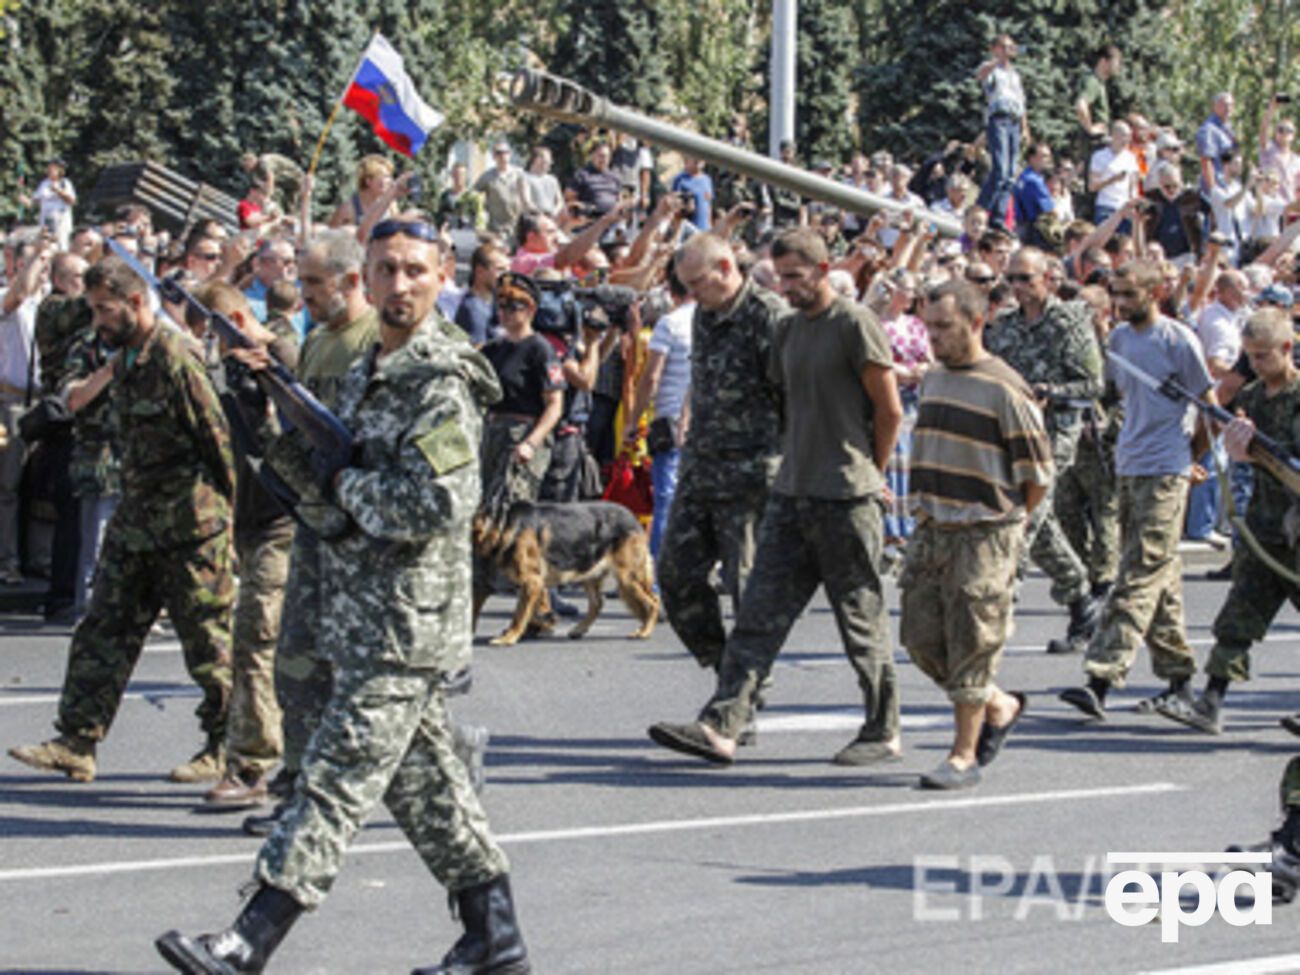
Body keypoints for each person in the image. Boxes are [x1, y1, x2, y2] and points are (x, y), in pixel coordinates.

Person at [155, 218, 529, 975]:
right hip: (360, 612)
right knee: (431, 793)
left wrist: (343, 481)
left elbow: (438, 501)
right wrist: (268, 402)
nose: (400, 285)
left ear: (442, 273)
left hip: (405, 625)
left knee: (330, 780)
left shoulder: (441, 378)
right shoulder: (369, 370)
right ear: (369, 275)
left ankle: (246, 941)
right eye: (386, 269)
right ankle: (496, 938)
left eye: (415, 271)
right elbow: (320, 490)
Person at [647, 227, 903, 766]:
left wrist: (871, 474)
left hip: (832, 489)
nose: (786, 287)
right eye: (781, 276)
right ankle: (724, 723)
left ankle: (883, 727)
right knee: (759, 611)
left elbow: (888, 409)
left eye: (794, 276)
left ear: (823, 267)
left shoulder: (850, 324)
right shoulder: (789, 329)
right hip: (788, 489)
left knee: (859, 615)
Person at [8, 255, 235, 784]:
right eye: (93, 310)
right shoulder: (125, 358)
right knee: (103, 628)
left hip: (190, 528)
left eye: (105, 310)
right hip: (137, 522)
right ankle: (77, 740)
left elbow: (219, 445)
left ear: (136, 303)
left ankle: (226, 746)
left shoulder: (176, 359)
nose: (98, 321)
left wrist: (230, 529)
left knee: (209, 643)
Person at [242, 230, 379, 837]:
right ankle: (298, 790)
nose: (304, 294)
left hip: (362, 531)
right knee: (296, 660)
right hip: (316, 523)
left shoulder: (375, 342)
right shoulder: (320, 341)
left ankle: (448, 762)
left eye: (315, 283)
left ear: (351, 281)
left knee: (373, 676)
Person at [899, 279, 1051, 789]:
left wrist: (1010, 528)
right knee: (920, 637)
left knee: (973, 640)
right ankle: (998, 703)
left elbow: (1036, 473)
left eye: (944, 327)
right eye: (929, 327)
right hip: (933, 525)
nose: (934, 337)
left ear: (976, 322)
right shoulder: (936, 377)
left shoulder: (1005, 387)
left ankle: (963, 755)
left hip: (983, 530)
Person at [1060, 261, 1211, 720]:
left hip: (1166, 468)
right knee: (1159, 577)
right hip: (1129, 466)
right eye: (1117, 294)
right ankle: (1180, 679)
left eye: (1130, 294)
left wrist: (1190, 459)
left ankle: (1102, 677)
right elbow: (1111, 394)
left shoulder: (1177, 339)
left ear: (1156, 291)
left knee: (1138, 572)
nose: (1122, 303)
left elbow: (1209, 407)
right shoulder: (1120, 341)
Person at [1155, 309, 1300, 735]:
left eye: (1263, 356)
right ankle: (1210, 701)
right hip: (1265, 528)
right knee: (1239, 615)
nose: (1255, 365)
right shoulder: (1253, 398)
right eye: (1249, 357)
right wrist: (1241, 450)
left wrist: (1265, 454)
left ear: (1287, 349)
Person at [656, 233, 788, 672]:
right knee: (675, 576)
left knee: (745, 587)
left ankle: (743, 691)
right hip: (701, 465)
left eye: (698, 283)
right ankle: (723, 667)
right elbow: (705, 374)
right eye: (687, 286)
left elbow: (798, 395)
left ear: (727, 269)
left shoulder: (769, 317)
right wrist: (686, 415)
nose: (691, 293)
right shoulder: (704, 315)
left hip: (752, 472)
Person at [196, 282, 299, 809]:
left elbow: (298, 432)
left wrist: (268, 380)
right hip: (249, 519)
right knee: (267, 644)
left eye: (215, 327)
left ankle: (252, 765)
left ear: (236, 317)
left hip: (284, 520)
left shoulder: (280, 354)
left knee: (256, 640)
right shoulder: (232, 368)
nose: (211, 340)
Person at [984, 247, 1104, 654]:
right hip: (1010, 433)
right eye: (1012, 279)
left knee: (1024, 519)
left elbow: (1092, 385)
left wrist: (1050, 392)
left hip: (1054, 433)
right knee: (1042, 525)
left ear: (1048, 279)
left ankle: (997, 615)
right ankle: (1082, 601)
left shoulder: (1070, 321)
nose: (1018, 287)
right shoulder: (1002, 327)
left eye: (1026, 279)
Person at [34, 251, 91, 621]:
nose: (84, 286)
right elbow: (83, 310)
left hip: (75, 418)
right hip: (63, 415)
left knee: (76, 512)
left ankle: (66, 591)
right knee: (71, 513)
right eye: (78, 277)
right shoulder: (54, 307)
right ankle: (62, 595)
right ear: (58, 279)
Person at [623, 263, 695, 559]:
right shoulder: (714, 319)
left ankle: (656, 577)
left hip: (671, 419)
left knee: (667, 500)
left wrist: (632, 419)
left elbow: (651, 377)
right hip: (708, 421)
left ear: (671, 290)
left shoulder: (670, 323)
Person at [476, 272, 564, 510]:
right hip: (492, 434)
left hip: (522, 434)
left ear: (530, 309)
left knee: (511, 508)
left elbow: (555, 404)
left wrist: (531, 443)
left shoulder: (540, 350)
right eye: (501, 306)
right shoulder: (493, 349)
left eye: (514, 306)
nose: (504, 313)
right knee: (483, 508)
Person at [0, 237, 51, 585]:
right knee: (8, 485)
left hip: (45, 399)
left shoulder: (49, 303)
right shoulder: (9, 297)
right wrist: (32, 258)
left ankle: (40, 558)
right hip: (12, 401)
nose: (42, 269)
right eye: (36, 261)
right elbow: (15, 297)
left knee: (42, 485)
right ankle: (8, 560)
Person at [975, 34, 1028, 230]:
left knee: (1010, 174)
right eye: (1004, 47)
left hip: (1014, 121)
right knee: (1000, 169)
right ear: (995, 48)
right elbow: (980, 75)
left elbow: (1021, 102)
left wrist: (1025, 127)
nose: (1008, 51)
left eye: (1010, 47)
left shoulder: (1015, 75)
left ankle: (998, 216)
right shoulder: (993, 69)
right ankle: (981, 208)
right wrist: (998, 59)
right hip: (999, 119)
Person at [455, 242, 508, 347]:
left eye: (508, 269)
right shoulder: (473, 309)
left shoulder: (495, 302)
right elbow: (478, 352)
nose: (506, 276)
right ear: (479, 271)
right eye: (500, 270)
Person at [477, 141, 530, 243]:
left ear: (510, 154)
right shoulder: (487, 177)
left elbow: (527, 198)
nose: (502, 156)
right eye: (498, 153)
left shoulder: (519, 174)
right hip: (496, 228)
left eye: (505, 152)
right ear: (494, 156)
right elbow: (475, 195)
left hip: (517, 227)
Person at [1088, 121, 1139, 226]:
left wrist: (1134, 203)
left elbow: (1133, 185)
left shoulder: (1131, 158)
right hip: (1106, 206)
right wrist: (1113, 180)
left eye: (1129, 136)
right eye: (1124, 136)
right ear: (1114, 136)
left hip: (1125, 207)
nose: (1127, 140)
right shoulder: (1099, 156)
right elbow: (1092, 186)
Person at [1075, 45, 1122, 153]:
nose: (1118, 66)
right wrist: (1090, 128)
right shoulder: (1092, 82)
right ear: (1103, 61)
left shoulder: (1100, 83)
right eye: (1116, 62)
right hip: (1094, 143)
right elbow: (1081, 105)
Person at [329, 154, 396, 229]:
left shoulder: (390, 205)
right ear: (368, 181)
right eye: (385, 176)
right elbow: (329, 237)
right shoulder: (348, 209)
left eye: (389, 177)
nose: (390, 181)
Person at [1013, 143, 1055, 247]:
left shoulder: (1024, 176)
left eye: (1049, 156)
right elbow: (1049, 210)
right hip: (1033, 229)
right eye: (1044, 156)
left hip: (1022, 225)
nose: (1048, 159)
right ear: (1032, 158)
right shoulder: (1034, 181)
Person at [1260, 95, 1300, 203]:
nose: (1284, 132)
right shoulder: (1269, 149)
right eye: (1281, 129)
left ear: (1293, 136)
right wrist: (1271, 108)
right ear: (1275, 133)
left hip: (1289, 207)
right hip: (1270, 205)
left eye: (1288, 130)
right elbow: (1263, 130)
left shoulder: (1297, 160)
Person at [1197, 92, 1238, 193]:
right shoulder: (1209, 129)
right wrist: (1213, 190)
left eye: (1231, 105)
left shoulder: (1228, 128)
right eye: (1224, 104)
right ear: (1215, 106)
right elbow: (1206, 160)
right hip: (1217, 187)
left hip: (1229, 186)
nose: (1228, 108)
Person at [32, 158, 77, 250]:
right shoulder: (44, 184)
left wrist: (58, 191)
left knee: (61, 244)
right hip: (45, 219)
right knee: (46, 242)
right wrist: (27, 200)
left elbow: (72, 201)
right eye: (48, 169)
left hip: (60, 220)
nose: (49, 171)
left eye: (52, 169)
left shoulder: (65, 183)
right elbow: (36, 200)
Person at [672, 157, 714, 231]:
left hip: (704, 229)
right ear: (687, 160)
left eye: (701, 156)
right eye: (694, 156)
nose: (698, 159)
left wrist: (709, 226)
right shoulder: (680, 180)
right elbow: (674, 210)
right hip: (687, 230)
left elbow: (708, 205)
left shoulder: (707, 180)